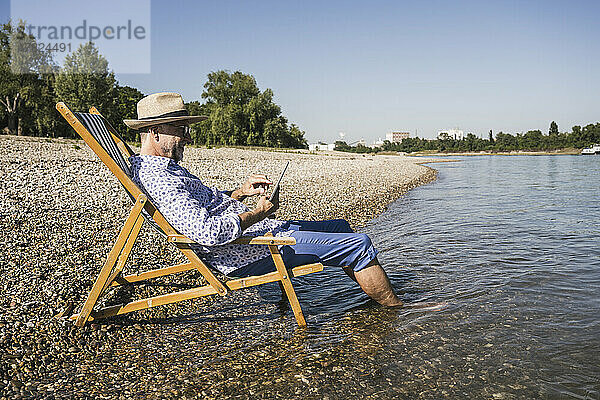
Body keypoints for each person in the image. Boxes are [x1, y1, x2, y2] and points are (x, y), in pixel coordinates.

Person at [124, 92, 430, 308]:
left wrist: (240, 192)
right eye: (181, 129)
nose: (188, 137)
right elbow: (209, 233)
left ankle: (369, 289)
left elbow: (205, 207)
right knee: (359, 243)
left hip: (256, 235)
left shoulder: (163, 170)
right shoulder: (160, 178)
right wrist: (258, 213)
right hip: (248, 252)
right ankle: (397, 309)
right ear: (155, 131)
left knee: (340, 226)